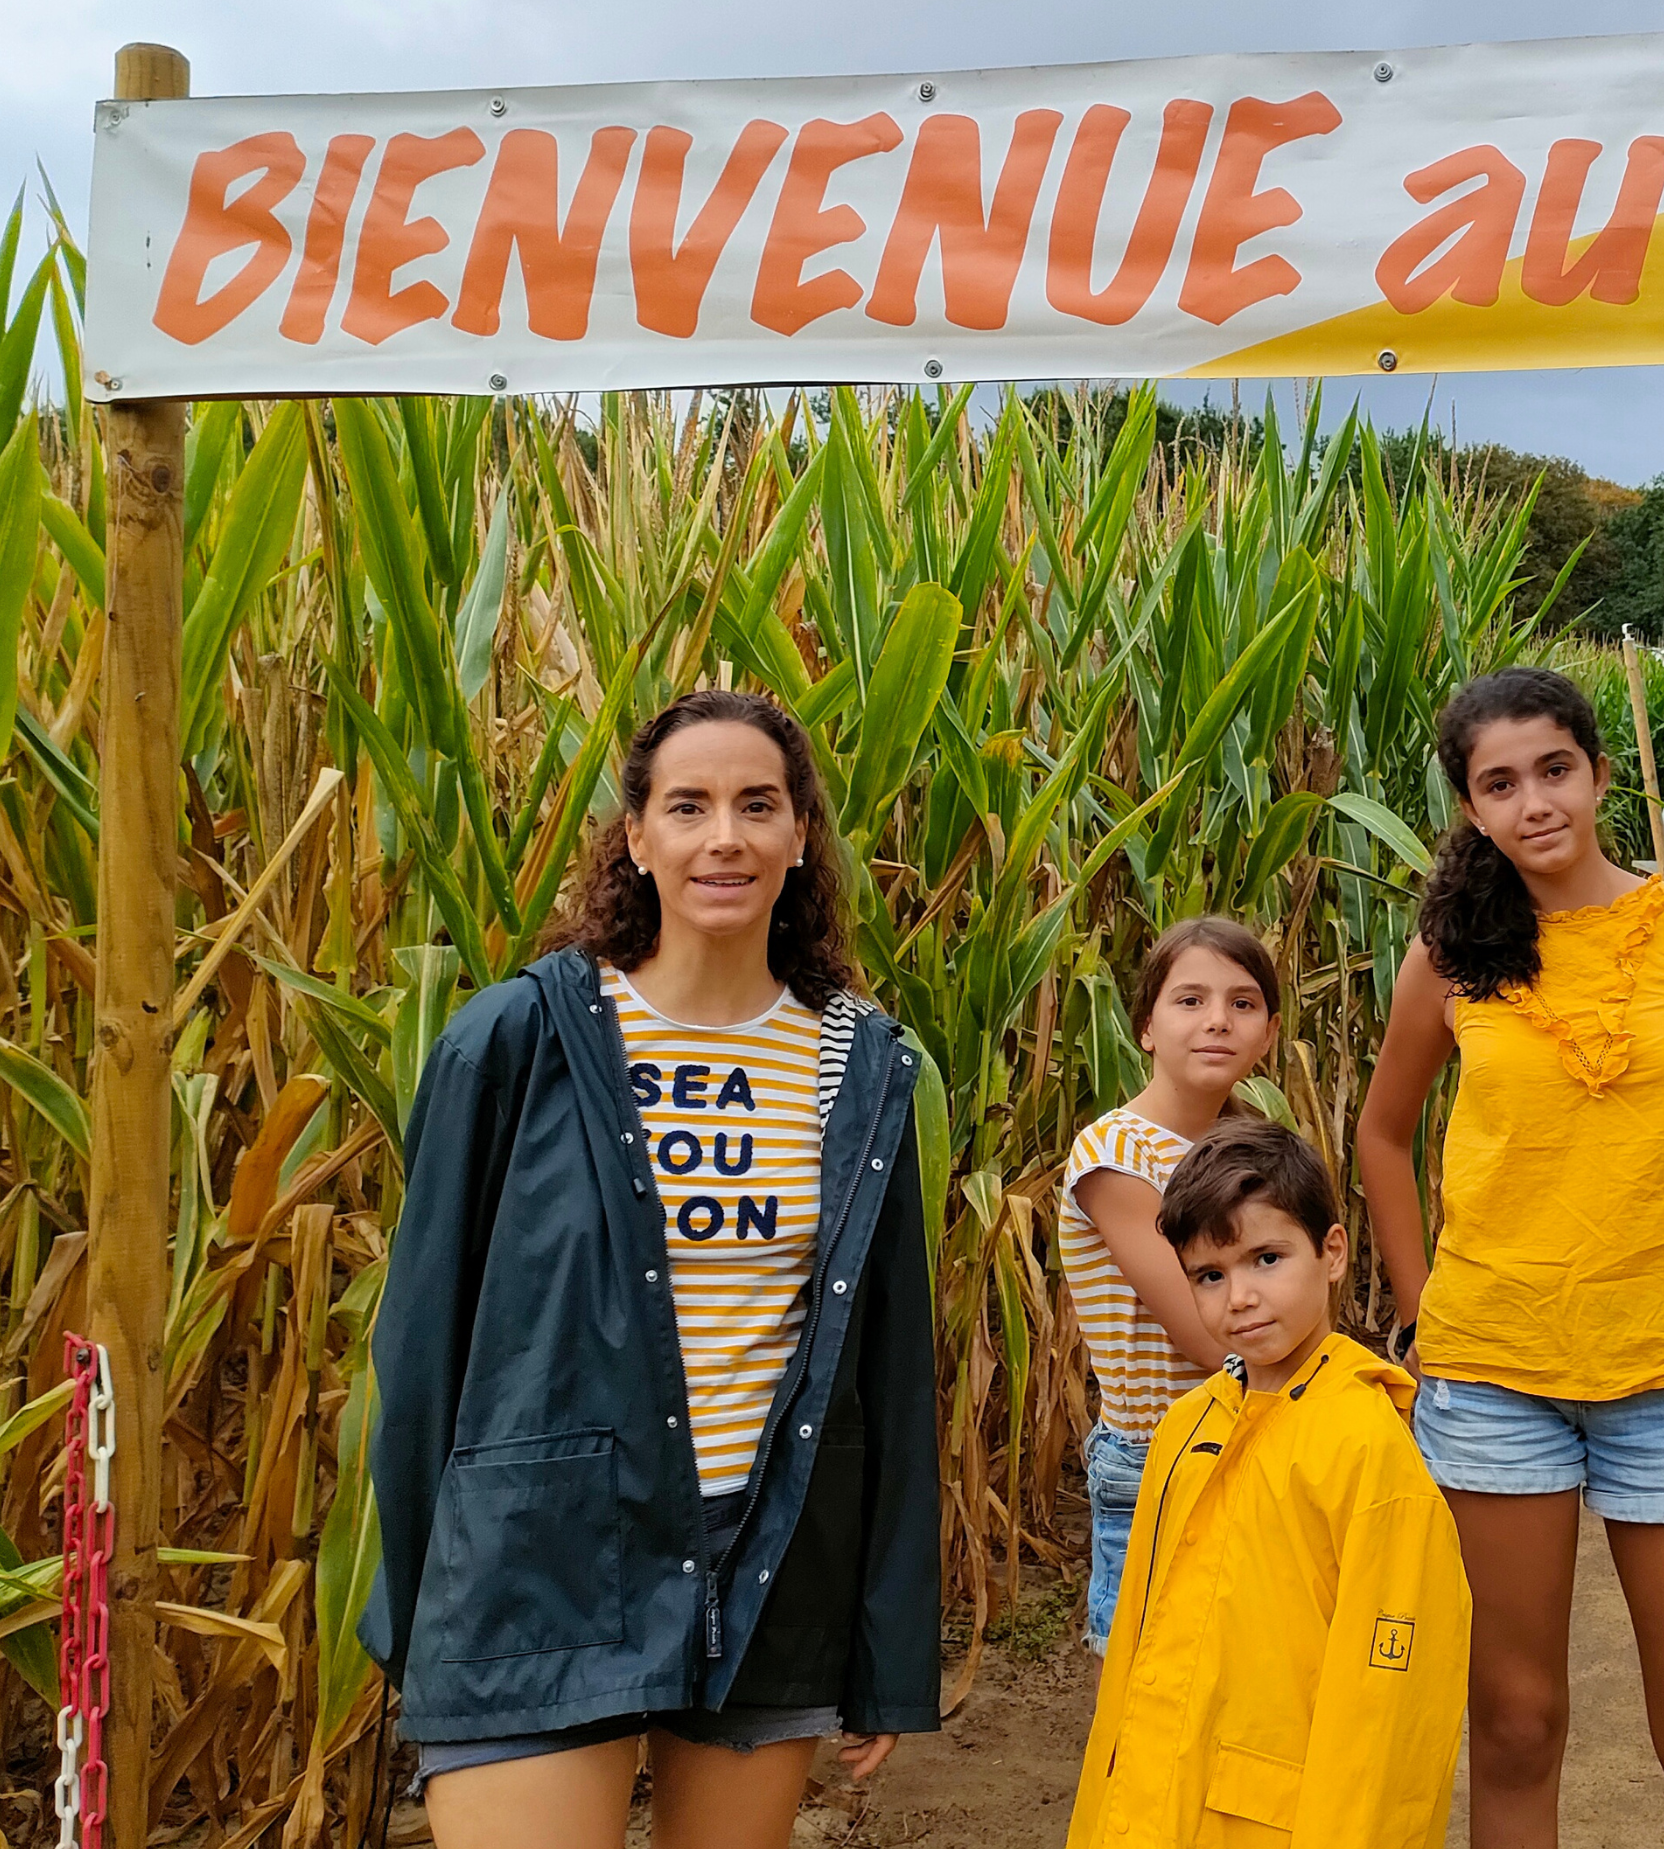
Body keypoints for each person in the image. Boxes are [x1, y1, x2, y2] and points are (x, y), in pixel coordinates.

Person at [366, 687, 939, 1849]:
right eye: (688, 805)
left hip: (768, 1561)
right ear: (637, 837)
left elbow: (887, 1369)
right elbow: (423, 1342)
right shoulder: (514, 1040)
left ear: (797, 839)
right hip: (541, 1559)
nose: (722, 835)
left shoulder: (860, 1066)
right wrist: (425, 1605)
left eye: (756, 805)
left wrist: (886, 1648)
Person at [1356, 666, 1664, 1848]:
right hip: (1492, 1381)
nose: (1532, 801)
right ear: (1469, 808)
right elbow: (1381, 1134)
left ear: (1598, 774)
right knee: (1511, 1725)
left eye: (1553, 769)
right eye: (1497, 783)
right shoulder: (1449, 955)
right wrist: (1419, 1316)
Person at [1067, 1121, 1471, 1849]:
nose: (1241, 1296)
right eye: (1210, 1275)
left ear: (1332, 1252)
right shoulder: (1186, 1429)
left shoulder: (1366, 1450)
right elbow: (1133, 1652)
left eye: (1267, 1258)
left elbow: (1390, 1713)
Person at [1058, 917, 1283, 1651]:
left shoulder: (1254, 1146)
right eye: (1189, 1001)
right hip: (1159, 1455)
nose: (1217, 1020)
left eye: (1242, 1004)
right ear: (1145, 1027)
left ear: (1268, 1034)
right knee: (1148, 1693)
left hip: (1253, 1438)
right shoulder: (1115, 1154)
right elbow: (1202, 1328)